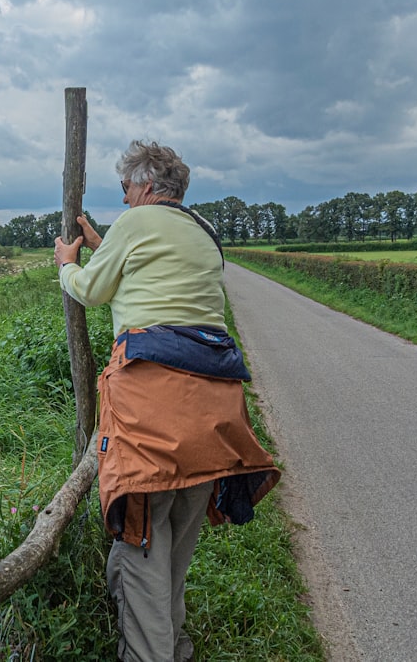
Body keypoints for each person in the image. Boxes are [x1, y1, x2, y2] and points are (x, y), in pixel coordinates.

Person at [53, 140, 280, 662]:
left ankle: (150, 655)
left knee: (143, 541)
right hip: (215, 413)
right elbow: (155, 269)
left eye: (127, 189)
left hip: (154, 404)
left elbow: (91, 288)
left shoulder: (135, 224)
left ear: (148, 186)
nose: (126, 200)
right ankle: (173, 644)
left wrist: (68, 262)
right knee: (177, 541)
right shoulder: (203, 230)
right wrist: (107, 240)